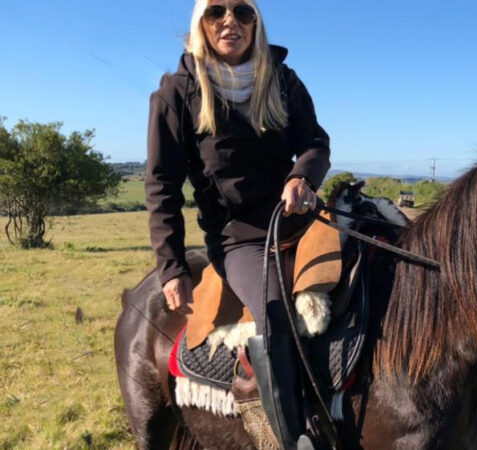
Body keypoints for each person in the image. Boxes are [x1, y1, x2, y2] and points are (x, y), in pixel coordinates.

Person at [145, 0, 329, 448]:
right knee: (273, 310)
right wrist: (170, 267)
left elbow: (315, 142)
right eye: (217, 11)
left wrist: (302, 175)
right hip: (238, 237)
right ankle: (294, 437)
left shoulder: (283, 80)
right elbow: (162, 185)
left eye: (243, 12)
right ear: (201, 23)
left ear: (256, 23)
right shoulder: (176, 92)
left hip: (300, 215)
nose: (231, 21)